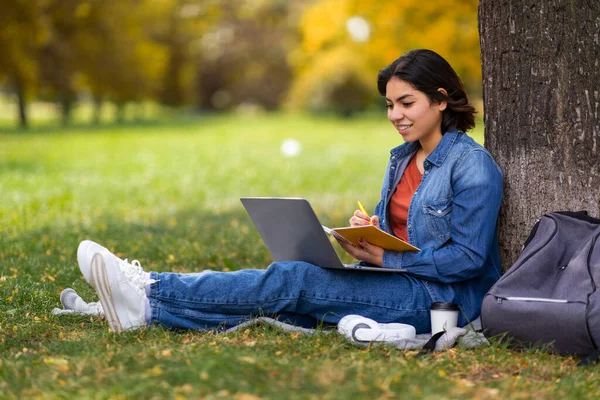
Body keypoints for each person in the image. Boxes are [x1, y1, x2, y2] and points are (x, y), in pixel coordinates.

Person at [78, 49, 503, 334]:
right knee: (289, 305)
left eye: (406, 103)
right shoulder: (402, 157)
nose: (395, 115)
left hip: (440, 302)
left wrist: (385, 255)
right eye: (389, 105)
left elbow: (468, 259)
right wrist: (369, 231)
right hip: (395, 280)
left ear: (442, 100)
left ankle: (148, 285)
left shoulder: (472, 166)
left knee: (292, 278)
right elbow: (401, 228)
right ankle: (144, 311)